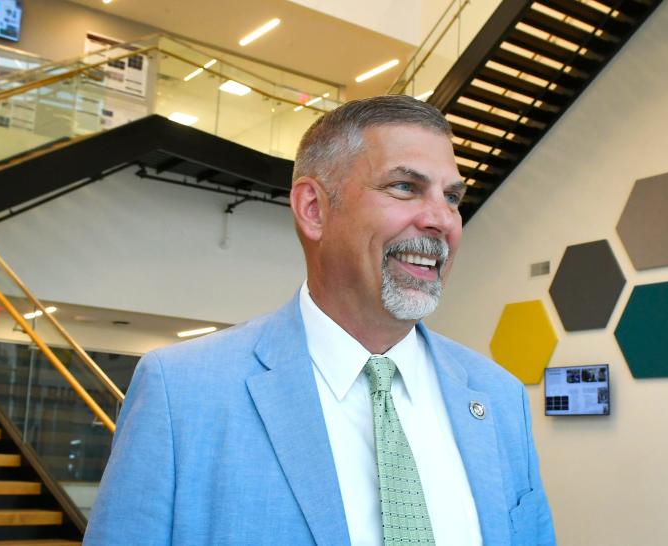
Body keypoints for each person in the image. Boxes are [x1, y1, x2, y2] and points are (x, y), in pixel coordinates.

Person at [84, 95, 556, 546]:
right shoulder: (181, 393)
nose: (442, 220)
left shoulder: (498, 398)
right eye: (405, 187)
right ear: (314, 209)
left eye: (451, 197)